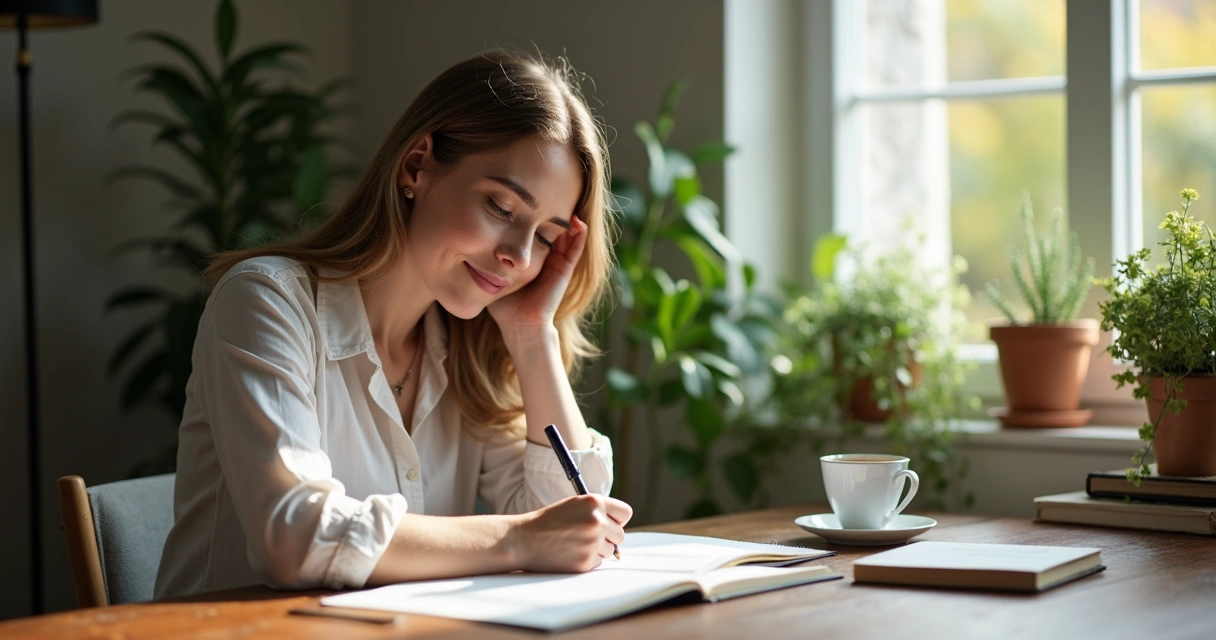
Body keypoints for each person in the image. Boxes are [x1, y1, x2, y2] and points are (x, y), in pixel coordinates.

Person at [154, 50, 632, 599]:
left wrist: (532, 333)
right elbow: (294, 538)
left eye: (546, 236)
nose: (520, 257)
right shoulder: (266, 301)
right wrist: (520, 539)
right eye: (501, 208)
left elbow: (569, 525)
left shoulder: (465, 350)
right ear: (416, 167)